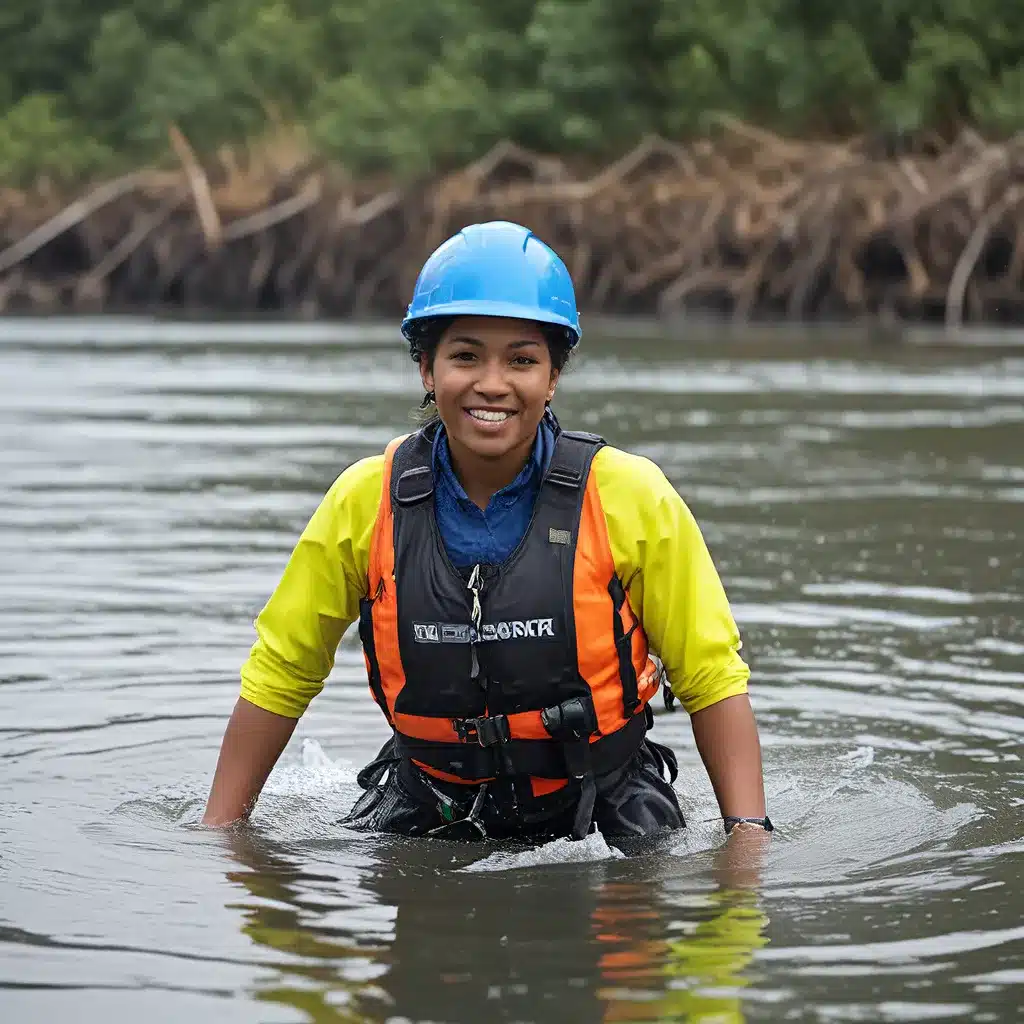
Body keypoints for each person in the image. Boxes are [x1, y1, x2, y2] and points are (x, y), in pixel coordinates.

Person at [202, 220, 773, 844]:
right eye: (465, 355)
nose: (492, 383)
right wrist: (221, 836)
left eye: (522, 360)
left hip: (603, 809)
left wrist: (746, 839)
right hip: (426, 804)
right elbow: (282, 671)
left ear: (552, 377)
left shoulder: (630, 497)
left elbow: (711, 676)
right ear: (427, 368)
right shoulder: (363, 501)